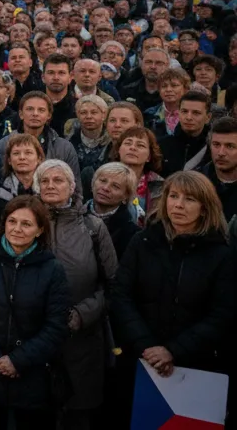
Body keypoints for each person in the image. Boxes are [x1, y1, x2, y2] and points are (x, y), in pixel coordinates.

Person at [112, 171, 236, 414]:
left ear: (204, 207)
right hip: (140, 361)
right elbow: (120, 295)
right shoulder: (142, 242)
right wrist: (147, 346)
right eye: (173, 196)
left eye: (189, 199)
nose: (178, 205)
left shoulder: (222, 255)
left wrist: (174, 350)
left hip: (195, 367)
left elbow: (223, 313)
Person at [0, 195, 71, 430]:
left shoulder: (53, 270)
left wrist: (17, 360)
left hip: (32, 377)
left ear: (40, 230)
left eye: (26, 224)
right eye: (12, 222)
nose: (17, 229)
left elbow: (56, 325)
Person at [33, 159, 117, 430]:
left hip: (82, 337)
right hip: (34, 336)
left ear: (72, 187)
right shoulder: (23, 221)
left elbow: (114, 284)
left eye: (58, 180)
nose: (50, 185)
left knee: (77, 417)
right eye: (44, 180)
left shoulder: (93, 227)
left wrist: (82, 314)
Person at [85, 162, 142, 260]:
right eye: (102, 181)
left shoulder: (132, 234)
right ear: (93, 183)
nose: (106, 188)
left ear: (126, 196)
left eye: (115, 186)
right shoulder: (72, 216)